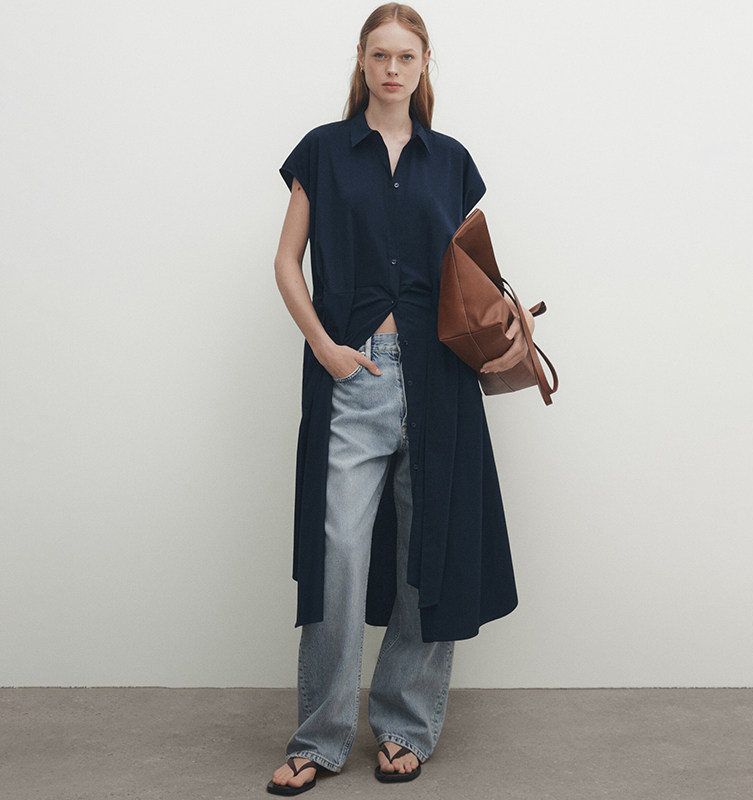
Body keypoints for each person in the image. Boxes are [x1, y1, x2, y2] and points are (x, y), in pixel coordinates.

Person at [268, 3, 535, 795]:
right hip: (354, 374)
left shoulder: (451, 161)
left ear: (424, 66)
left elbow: (469, 273)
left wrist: (508, 314)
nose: (392, 69)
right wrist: (325, 348)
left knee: (430, 553)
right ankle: (319, 739)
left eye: (406, 56)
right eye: (379, 55)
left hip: (439, 380)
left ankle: (404, 728)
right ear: (361, 60)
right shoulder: (322, 151)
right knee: (339, 556)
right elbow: (285, 262)